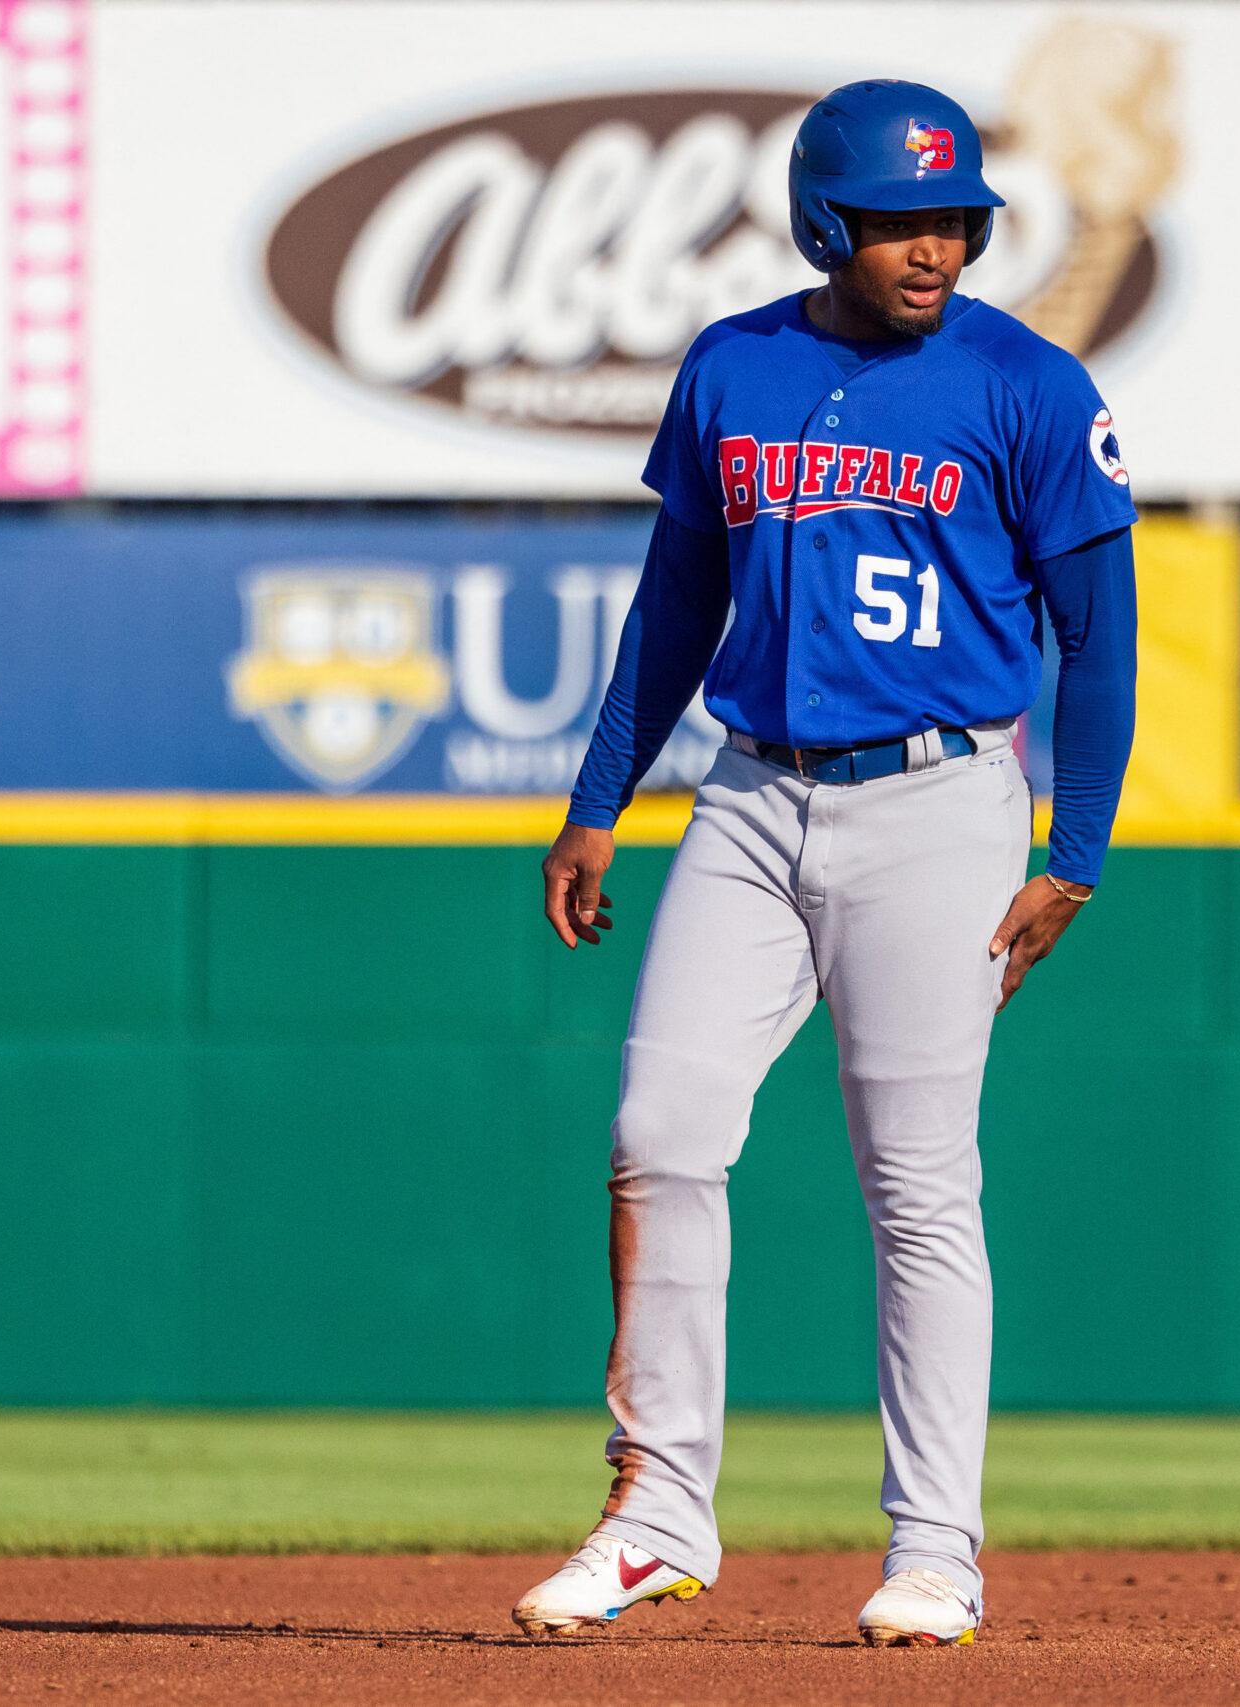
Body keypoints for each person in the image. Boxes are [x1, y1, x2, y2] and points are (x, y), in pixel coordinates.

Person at [511, 79, 1139, 1649]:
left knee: (919, 1186)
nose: (933, 247)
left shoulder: (1031, 384)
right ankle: (657, 1510)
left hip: (941, 803)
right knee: (659, 1126)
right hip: (747, 793)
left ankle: (936, 1550)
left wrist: (1079, 843)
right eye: (899, 221)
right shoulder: (737, 364)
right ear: (823, 224)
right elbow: (674, 603)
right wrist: (602, 797)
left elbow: (1100, 633)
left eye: (954, 219)